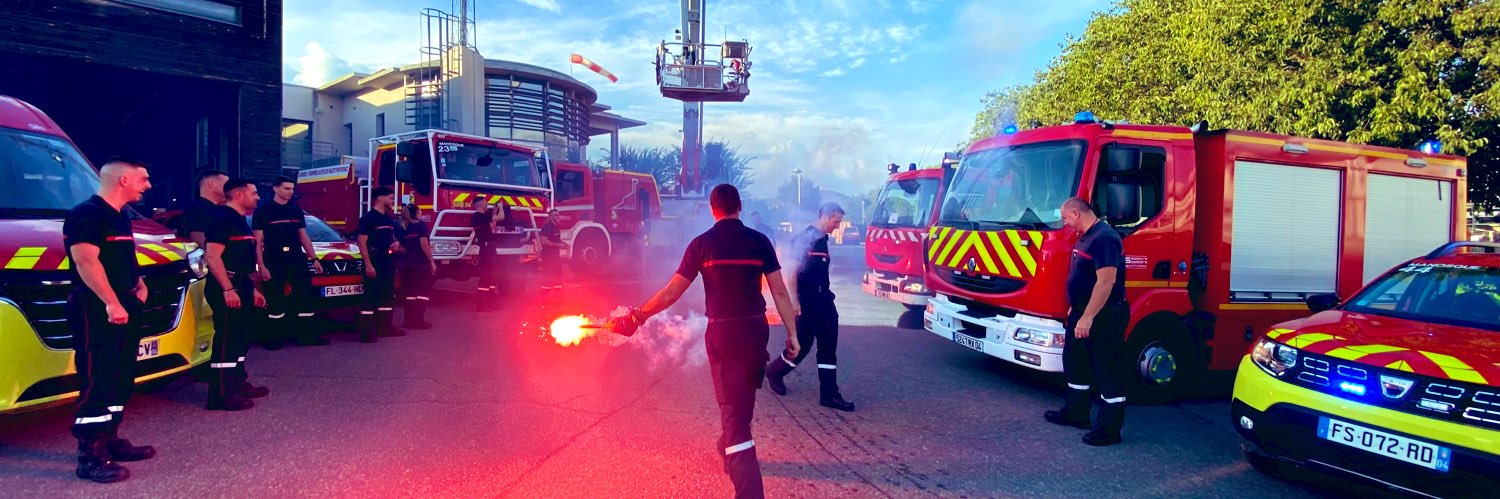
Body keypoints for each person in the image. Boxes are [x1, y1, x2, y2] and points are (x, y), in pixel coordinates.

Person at [607, 184, 801, 499]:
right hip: (754, 332)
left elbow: (671, 293)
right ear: (740, 206)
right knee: (741, 404)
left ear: (713, 210)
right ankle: (730, 446)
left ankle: (747, 485)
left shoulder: (702, 245)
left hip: (723, 334)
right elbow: (779, 291)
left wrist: (638, 317)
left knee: (734, 412)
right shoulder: (760, 241)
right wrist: (792, 333)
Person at [63, 157, 157, 483]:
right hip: (97, 310)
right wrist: (112, 303)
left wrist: (139, 281)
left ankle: (111, 439)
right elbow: (86, 262)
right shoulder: (86, 214)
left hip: (124, 306)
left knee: (120, 376)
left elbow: (122, 257)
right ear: (123, 181)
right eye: (143, 179)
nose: (148, 185)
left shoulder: (121, 217)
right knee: (98, 379)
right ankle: (90, 456)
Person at [1044, 197, 1130, 446]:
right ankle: (1076, 413)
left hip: (1104, 316)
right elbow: (1084, 277)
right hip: (1082, 313)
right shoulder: (1086, 236)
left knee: (1107, 370)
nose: (1065, 223)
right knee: (1075, 361)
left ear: (1076, 212)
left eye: (1066, 218)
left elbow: (1106, 282)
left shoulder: (1104, 238)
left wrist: (1089, 316)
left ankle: (1109, 430)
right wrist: (1077, 308)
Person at [765, 203, 855, 412]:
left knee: (828, 346)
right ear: (824, 216)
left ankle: (829, 394)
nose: (837, 226)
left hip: (824, 301)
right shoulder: (805, 238)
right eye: (836, 221)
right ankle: (775, 371)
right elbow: (792, 272)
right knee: (802, 346)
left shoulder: (822, 240)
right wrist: (795, 301)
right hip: (807, 301)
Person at [203, 178, 270, 411]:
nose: (258, 197)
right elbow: (212, 257)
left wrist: (251, 290)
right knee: (227, 339)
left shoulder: (240, 221)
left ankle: (237, 383)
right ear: (239, 195)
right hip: (227, 285)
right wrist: (227, 289)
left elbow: (244, 259)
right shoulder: (222, 219)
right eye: (254, 193)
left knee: (241, 337)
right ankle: (220, 395)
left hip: (242, 284)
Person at [252, 176, 328, 349]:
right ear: (275, 188)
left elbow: (303, 236)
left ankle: (306, 336)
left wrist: (314, 258)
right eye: (287, 188)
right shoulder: (263, 211)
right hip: (274, 260)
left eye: (292, 189)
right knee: (275, 299)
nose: (291, 192)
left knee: (305, 297)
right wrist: (261, 265)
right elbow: (257, 240)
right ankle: (274, 339)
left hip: (296, 259)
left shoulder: (295, 210)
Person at [357, 186, 403, 342]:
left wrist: (395, 243)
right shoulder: (368, 218)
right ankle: (367, 332)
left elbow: (391, 237)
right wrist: (368, 265)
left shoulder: (388, 219)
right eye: (390, 198)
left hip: (388, 262)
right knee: (371, 296)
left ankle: (385, 327)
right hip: (374, 261)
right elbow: (362, 242)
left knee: (387, 295)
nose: (392, 201)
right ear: (380, 198)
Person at [398, 203, 436, 329]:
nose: (421, 213)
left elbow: (400, 247)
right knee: (422, 292)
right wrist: (431, 261)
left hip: (406, 265)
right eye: (420, 211)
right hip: (420, 264)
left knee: (410, 293)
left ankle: (408, 321)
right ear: (417, 213)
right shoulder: (420, 225)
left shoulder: (402, 226)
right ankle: (418, 320)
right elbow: (424, 244)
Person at [469, 197, 508, 312]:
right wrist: (500, 208)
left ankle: (489, 302)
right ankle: (482, 305)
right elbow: (502, 217)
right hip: (487, 249)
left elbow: (492, 227)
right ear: (480, 204)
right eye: (486, 202)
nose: (487, 204)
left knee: (491, 276)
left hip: (488, 248)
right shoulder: (480, 216)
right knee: (486, 277)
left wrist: (494, 212)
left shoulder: (478, 217)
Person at [177, 169, 229, 247]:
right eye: (227, 184)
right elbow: (202, 242)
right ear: (212, 184)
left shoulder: (222, 210)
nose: (230, 188)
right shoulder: (196, 209)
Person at [537, 208, 566, 293]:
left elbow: (555, 239)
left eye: (558, 214)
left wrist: (563, 243)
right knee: (548, 274)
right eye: (555, 215)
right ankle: (545, 293)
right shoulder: (547, 227)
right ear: (550, 217)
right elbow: (543, 241)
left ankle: (557, 292)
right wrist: (558, 245)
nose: (558, 216)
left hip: (555, 255)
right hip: (548, 256)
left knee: (557, 273)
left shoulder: (556, 227)